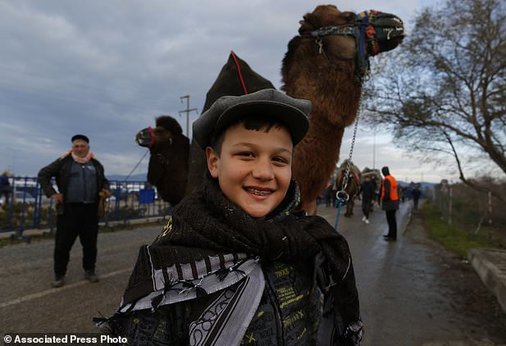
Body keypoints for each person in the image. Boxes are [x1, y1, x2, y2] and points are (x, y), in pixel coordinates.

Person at [101, 89, 363, 345]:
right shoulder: (168, 263)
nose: (264, 172)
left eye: (279, 159)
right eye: (247, 154)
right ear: (214, 162)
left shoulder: (310, 244)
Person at [38, 134, 109, 288]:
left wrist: (106, 189)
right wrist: (53, 193)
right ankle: (59, 275)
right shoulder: (63, 162)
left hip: (90, 211)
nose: (79, 149)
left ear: (88, 147)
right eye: (76, 146)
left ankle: (90, 270)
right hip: (69, 211)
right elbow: (43, 174)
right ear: (72, 148)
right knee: (63, 245)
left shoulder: (96, 164)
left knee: (90, 244)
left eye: (82, 146)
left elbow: (104, 181)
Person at [381, 166, 399, 241]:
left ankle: (392, 236)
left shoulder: (387, 180)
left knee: (390, 220)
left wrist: (384, 200)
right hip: (394, 201)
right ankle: (391, 234)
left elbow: (387, 191)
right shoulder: (393, 178)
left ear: (384, 172)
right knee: (392, 220)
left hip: (389, 202)